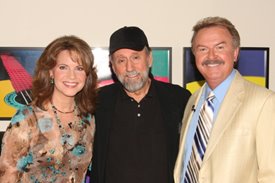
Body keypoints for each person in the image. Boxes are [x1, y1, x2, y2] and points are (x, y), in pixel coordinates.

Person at [174, 16, 275, 183]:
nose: (211, 56)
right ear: (194, 56)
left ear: (235, 53)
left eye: (220, 47)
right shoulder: (192, 100)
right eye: (202, 49)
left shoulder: (264, 102)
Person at [89, 26, 191, 183]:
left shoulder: (179, 99)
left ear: (149, 58)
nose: (129, 68)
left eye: (136, 58)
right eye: (121, 60)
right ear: (112, 65)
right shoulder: (97, 102)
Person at [0, 35, 98, 182]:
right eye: (63, 67)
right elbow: (7, 175)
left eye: (79, 68)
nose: (72, 76)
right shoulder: (28, 118)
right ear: (51, 71)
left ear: (86, 75)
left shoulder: (88, 120)